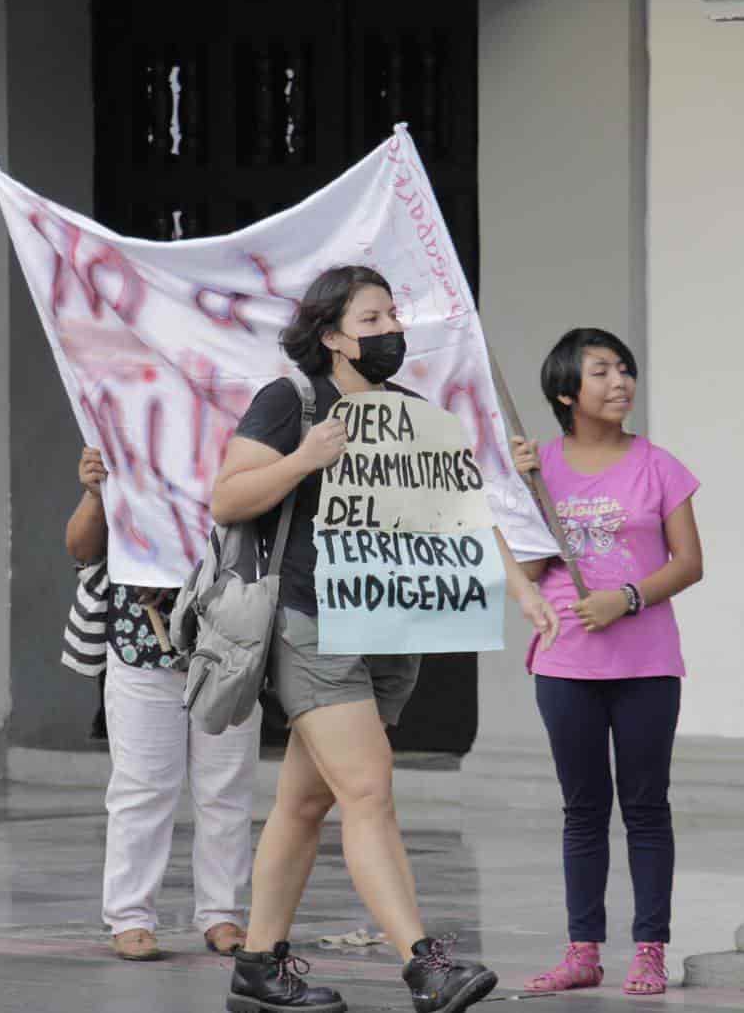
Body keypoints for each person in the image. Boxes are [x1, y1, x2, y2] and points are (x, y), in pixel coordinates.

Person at [212, 265, 560, 1013]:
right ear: (332, 336)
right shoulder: (292, 401)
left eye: (394, 316)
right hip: (314, 622)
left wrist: (521, 586)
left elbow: (461, 513)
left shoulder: (412, 414)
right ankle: (424, 964)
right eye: (372, 319)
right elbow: (228, 495)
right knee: (369, 789)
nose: (391, 330)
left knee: (306, 805)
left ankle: (258, 967)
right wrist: (305, 458)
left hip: (391, 627)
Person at [507, 328, 703, 997]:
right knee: (582, 809)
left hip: (647, 662)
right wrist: (522, 492)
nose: (620, 382)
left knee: (647, 807)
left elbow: (688, 564)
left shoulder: (658, 465)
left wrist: (626, 598)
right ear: (568, 391)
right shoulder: (542, 467)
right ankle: (582, 951)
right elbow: (530, 568)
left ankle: (649, 949)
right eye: (601, 372)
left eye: (624, 369)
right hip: (566, 663)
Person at [65, 445, 260, 962]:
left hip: (227, 648)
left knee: (226, 789)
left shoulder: (244, 450)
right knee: (143, 787)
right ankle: (129, 917)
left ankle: (223, 914)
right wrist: (93, 492)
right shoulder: (127, 448)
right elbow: (81, 549)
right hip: (142, 647)